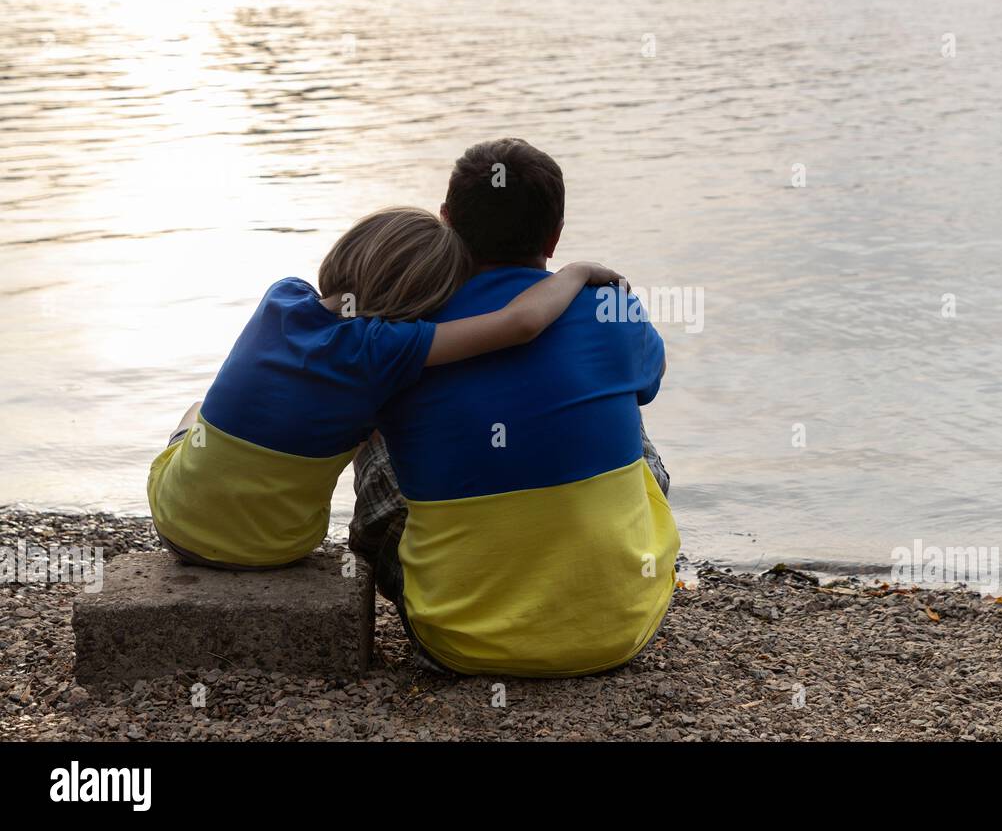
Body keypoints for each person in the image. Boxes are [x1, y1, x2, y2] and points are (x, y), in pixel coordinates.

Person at [352, 138, 679, 677]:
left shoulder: (405, 319)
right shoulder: (612, 305)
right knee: (626, 413)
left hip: (459, 641)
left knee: (376, 426)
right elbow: (650, 380)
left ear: (446, 221)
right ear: (554, 237)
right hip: (623, 629)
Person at [147, 205, 622, 569]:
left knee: (197, 411)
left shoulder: (282, 297)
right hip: (275, 547)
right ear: (428, 297)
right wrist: (574, 273)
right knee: (381, 417)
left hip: (175, 523)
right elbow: (519, 323)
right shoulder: (387, 349)